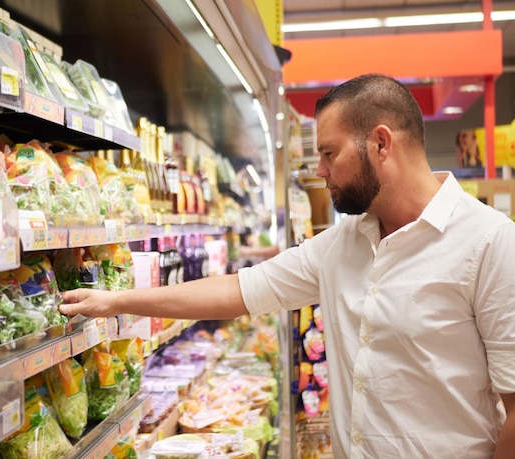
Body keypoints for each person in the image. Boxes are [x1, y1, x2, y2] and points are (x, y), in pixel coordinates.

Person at [60, 74, 515, 458]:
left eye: (329, 153)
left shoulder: (490, 243)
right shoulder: (341, 244)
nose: (319, 170)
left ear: (380, 143)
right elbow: (238, 291)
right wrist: (115, 300)